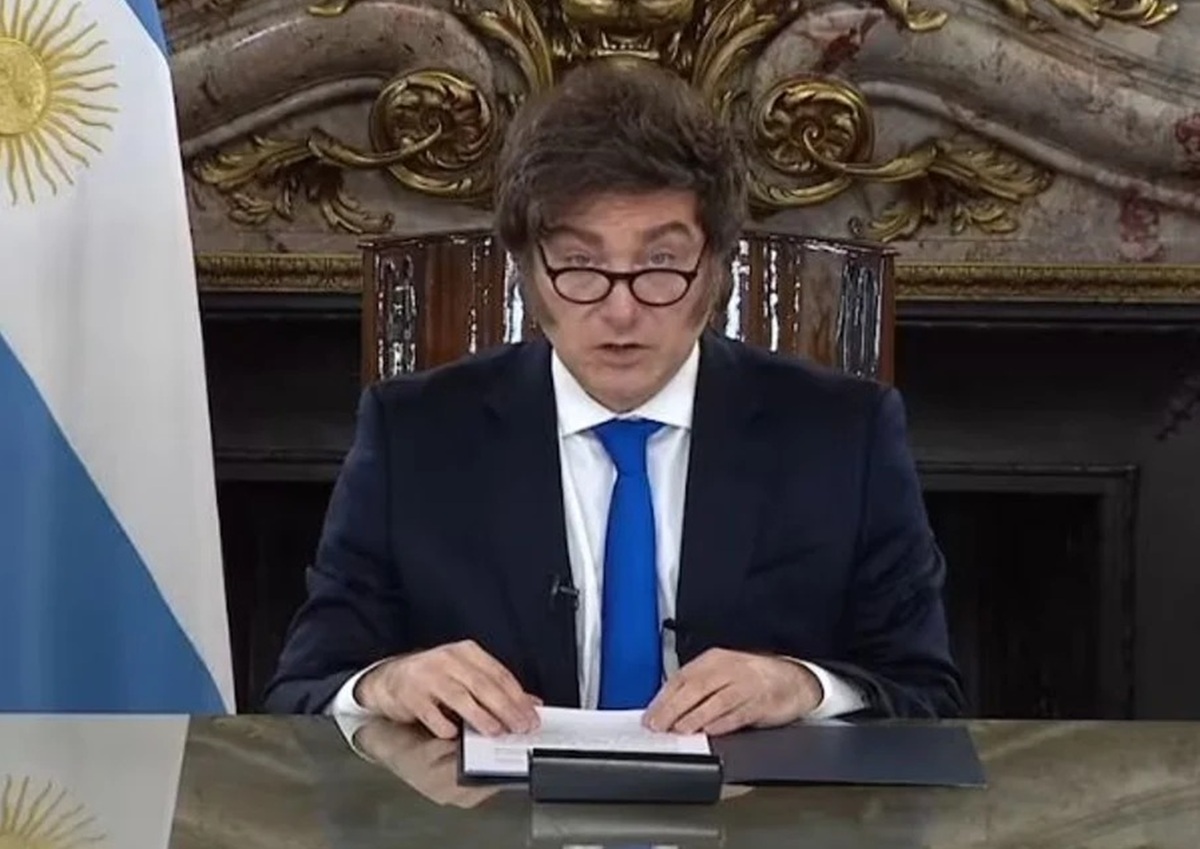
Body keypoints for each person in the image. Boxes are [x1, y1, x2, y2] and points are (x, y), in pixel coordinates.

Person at [263, 60, 964, 738]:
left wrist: (806, 686)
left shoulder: (844, 435)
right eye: (580, 264)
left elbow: (929, 698)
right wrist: (386, 682)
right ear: (527, 271)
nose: (621, 311)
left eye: (661, 264)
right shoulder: (413, 434)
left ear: (716, 267)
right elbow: (301, 691)